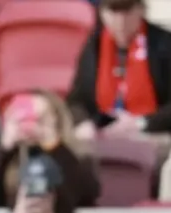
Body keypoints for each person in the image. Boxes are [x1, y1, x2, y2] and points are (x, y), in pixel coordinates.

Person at [0, 89, 101, 209]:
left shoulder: (78, 153)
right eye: (25, 119)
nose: (32, 126)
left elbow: (87, 195)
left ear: (56, 121)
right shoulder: (9, 157)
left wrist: (54, 146)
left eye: (41, 119)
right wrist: (5, 149)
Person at [67, 0, 171, 140]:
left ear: (141, 10)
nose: (121, 21)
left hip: (155, 135)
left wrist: (141, 123)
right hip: (104, 135)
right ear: (102, 14)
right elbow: (76, 100)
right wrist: (83, 122)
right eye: (114, 12)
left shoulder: (164, 43)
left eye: (127, 11)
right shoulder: (94, 46)